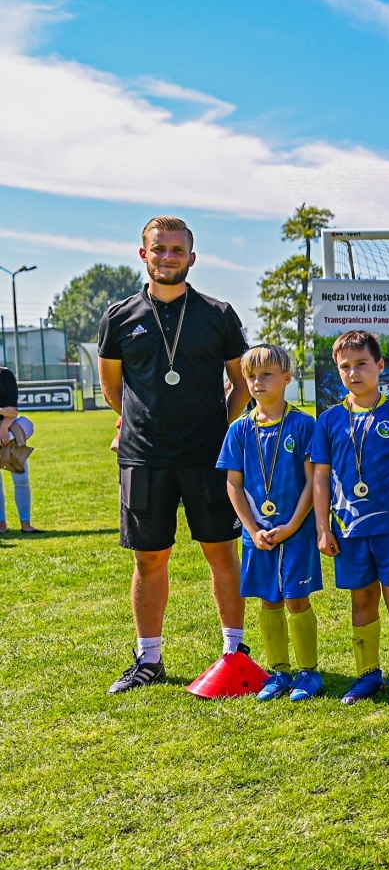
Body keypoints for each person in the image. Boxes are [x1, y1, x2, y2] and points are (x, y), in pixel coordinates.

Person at [101, 216, 251, 694]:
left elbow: (241, 383)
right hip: (144, 458)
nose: (168, 256)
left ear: (192, 257)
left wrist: (219, 431)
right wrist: (139, 424)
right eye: (159, 248)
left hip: (208, 457)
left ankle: (234, 653)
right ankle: (149, 659)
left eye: (177, 249)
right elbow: (113, 388)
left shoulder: (218, 313)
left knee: (221, 553)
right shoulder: (119, 317)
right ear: (143, 254)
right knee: (150, 559)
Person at [311, 330, 389, 705]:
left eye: (361, 364)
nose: (353, 373)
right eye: (345, 367)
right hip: (349, 531)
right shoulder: (328, 421)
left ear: (379, 366)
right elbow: (321, 477)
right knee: (361, 600)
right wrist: (323, 528)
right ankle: (367, 676)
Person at [217, 345, 322, 701]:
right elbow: (233, 483)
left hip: (297, 532)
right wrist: (251, 529)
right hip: (257, 535)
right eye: (251, 377)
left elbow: (313, 482)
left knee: (296, 599)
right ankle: (279, 672)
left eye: (266, 375)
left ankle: (308, 672)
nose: (258, 382)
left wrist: (292, 525)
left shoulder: (305, 425)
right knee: (268, 601)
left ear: (287, 379)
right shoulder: (238, 430)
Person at [0, 364, 36, 533]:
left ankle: (26, 524)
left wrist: (3, 428)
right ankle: (1, 525)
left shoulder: (5, 374)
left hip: (10, 435)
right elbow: (5, 410)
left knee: (21, 478)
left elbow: (12, 410)